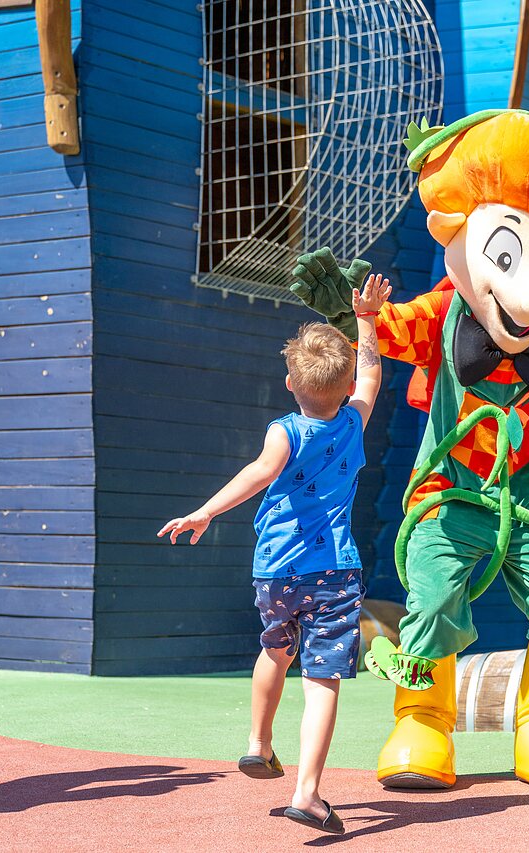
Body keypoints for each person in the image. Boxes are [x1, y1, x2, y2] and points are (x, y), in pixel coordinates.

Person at [158, 273, 391, 834]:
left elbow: (258, 474)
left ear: (291, 382)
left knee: (275, 651)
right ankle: (307, 793)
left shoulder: (283, 431)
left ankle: (258, 744)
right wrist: (366, 318)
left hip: (276, 568)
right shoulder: (354, 424)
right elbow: (372, 372)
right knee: (323, 681)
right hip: (334, 571)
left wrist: (205, 512)